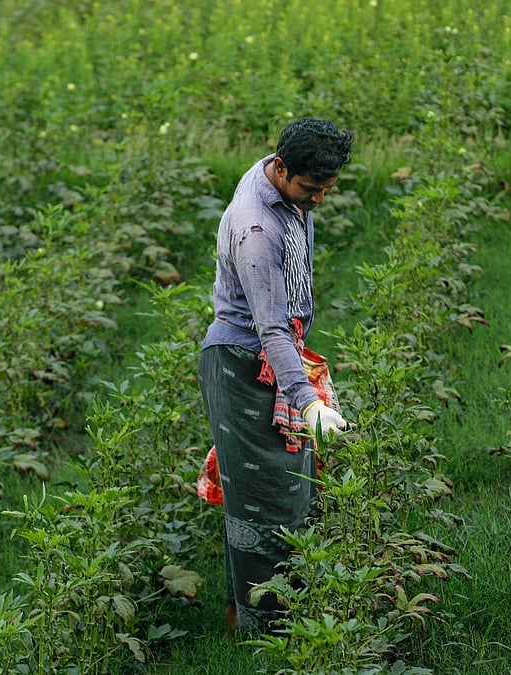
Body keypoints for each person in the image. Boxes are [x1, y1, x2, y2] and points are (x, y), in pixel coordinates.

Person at [198, 117, 353, 634]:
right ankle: (270, 639)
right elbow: (270, 330)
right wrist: (307, 401)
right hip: (244, 363)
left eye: (328, 189)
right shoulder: (258, 230)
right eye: (311, 190)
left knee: (288, 493)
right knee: (264, 509)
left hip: (269, 361)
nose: (319, 201)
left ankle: (244, 622)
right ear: (282, 169)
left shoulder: (275, 178)